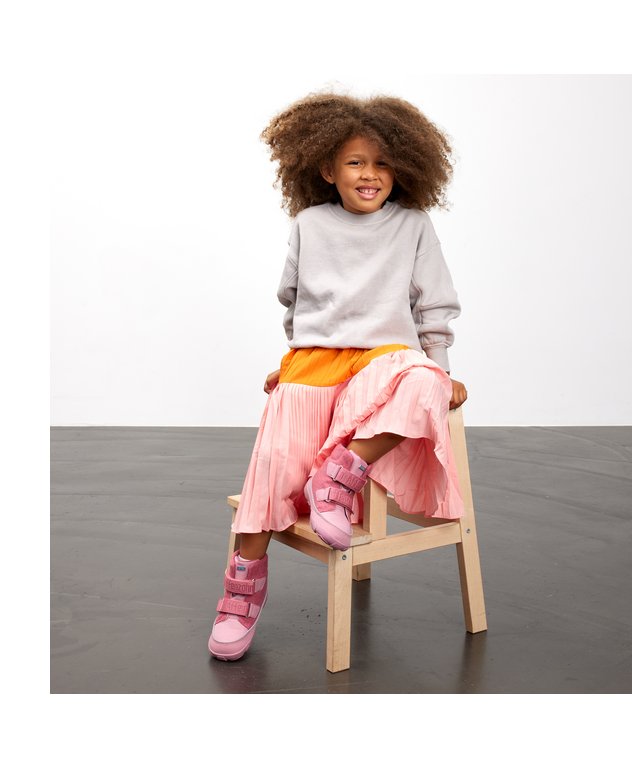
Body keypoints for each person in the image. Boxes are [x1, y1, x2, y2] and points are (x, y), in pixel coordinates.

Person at [208, 91, 469, 662]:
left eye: (382, 163)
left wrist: (440, 366)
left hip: (385, 356)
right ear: (328, 170)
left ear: (403, 168)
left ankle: (336, 478)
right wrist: (293, 359)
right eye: (355, 162)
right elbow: (293, 298)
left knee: (424, 381)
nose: (370, 174)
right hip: (318, 356)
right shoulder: (309, 223)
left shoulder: (414, 225)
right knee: (273, 465)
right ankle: (239, 596)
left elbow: (434, 304)